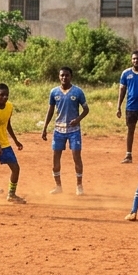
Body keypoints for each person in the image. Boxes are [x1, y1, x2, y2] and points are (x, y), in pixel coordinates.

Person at [41, 67, 90, 195]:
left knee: (76, 157)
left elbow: (86, 109)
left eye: (67, 75)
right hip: (58, 130)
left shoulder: (78, 92)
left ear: (71, 76)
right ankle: (58, 186)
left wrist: (78, 119)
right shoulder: (54, 92)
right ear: (59, 76)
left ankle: (79, 185)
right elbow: (50, 110)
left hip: (74, 130)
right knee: (55, 159)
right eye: (62, 75)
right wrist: (45, 127)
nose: (64, 78)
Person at [0, 83, 26, 204]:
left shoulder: (9, 107)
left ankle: (11, 194)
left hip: (4, 143)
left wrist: (15, 140)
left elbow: (7, 124)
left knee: (15, 168)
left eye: (6, 95)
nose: (4, 98)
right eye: (1, 95)